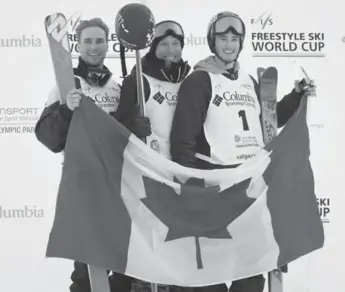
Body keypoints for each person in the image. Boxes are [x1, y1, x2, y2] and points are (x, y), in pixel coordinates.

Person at [169, 11, 315, 292]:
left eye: (234, 39)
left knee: (251, 264)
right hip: (213, 183)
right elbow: (182, 141)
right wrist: (189, 189)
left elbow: (266, 122)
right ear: (213, 41)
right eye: (222, 38)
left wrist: (296, 96)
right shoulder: (199, 80)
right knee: (209, 268)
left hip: (247, 183)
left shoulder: (248, 80)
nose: (228, 45)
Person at [35, 18, 133, 292]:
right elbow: (48, 138)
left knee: (125, 267)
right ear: (77, 44)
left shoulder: (119, 87)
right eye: (87, 41)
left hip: (119, 186)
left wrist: (137, 127)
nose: (94, 46)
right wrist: (66, 110)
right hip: (85, 185)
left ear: (107, 43)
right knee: (87, 268)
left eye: (99, 40)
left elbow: (125, 137)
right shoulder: (66, 85)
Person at [115, 20, 191, 159]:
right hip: (151, 166)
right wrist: (132, 127)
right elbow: (116, 129)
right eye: (163, 44)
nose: (170, 50)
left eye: (175, 43)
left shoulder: (189, 80)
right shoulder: (138, 81)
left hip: (183, 165)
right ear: (153, 48)